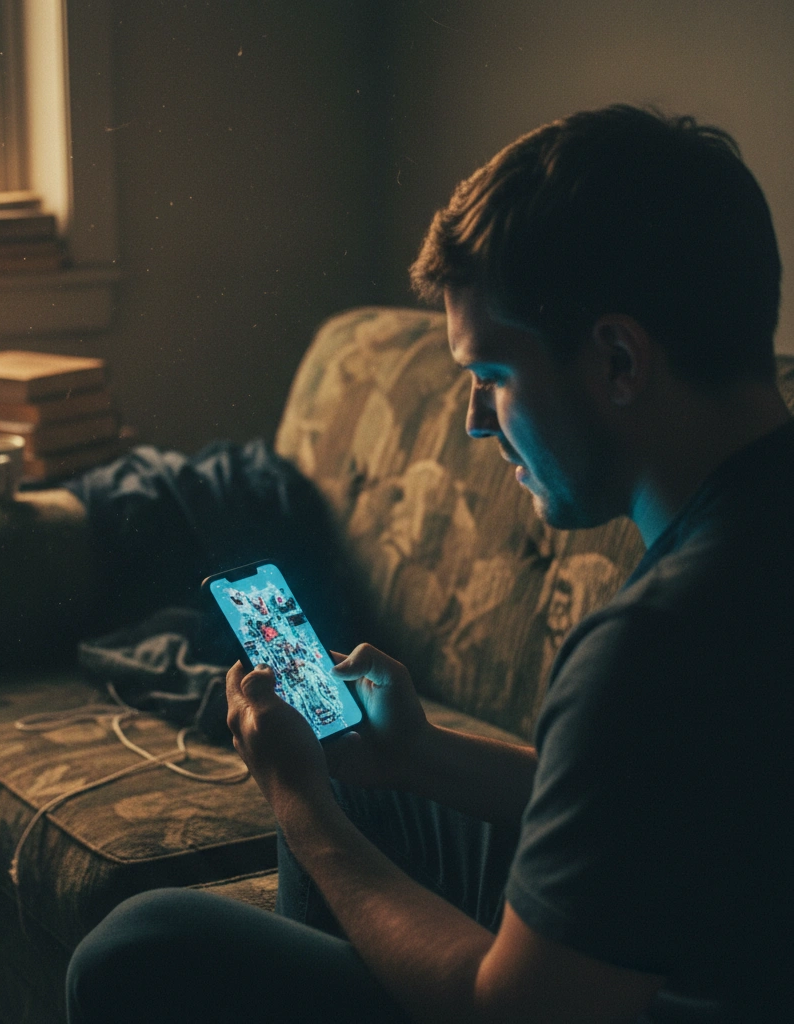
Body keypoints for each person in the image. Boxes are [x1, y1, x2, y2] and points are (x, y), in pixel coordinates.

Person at [66, 105, 792, 1022]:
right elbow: (669, 807)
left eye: (491, 377)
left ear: (617, 359)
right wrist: (422, 757)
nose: (475, 422)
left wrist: (301, 807)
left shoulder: (652, 646)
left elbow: (515, 1016)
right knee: (375, 787)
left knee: (140, 950)